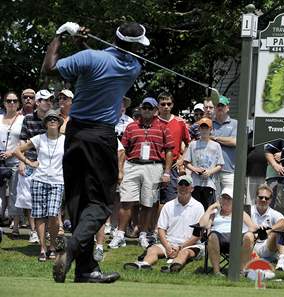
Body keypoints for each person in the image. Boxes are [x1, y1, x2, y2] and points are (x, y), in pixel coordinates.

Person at [42, 21, 149, 283]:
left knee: (79, 202)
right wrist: (83, 44)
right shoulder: (133, 68)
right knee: (100, 203)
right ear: (135, 47)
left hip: (75, 133)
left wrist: (61, 35)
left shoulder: (90, 58)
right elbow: (103, 64)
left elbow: (50, 68)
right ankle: (72, 247)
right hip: (100, 137)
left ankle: (85, 269)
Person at [109, 97, 173, 249]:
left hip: (153, 166)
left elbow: (169, 151)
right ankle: (120, 234)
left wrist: (167, 172)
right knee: (126, 201)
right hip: (133, 165)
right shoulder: (131, 127)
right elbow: (123, 150)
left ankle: (143, 234)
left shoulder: (163, 127)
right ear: (140, 109)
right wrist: (120, 169)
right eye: (145, 107)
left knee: (148, 203)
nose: (147, 110)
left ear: (155, 110)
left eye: (150, 108)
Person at [123, 175, 204, 272]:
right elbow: (161, 229)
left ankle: (173, 267)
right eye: (180, 184)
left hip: (190, 245)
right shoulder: (168, 205)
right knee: (152, 250)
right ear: (177, 187)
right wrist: (167, 246)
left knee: (184, 253)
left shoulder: (198, 207)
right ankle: (144, 264)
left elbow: (198, 235)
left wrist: (180, 247)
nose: (183, 187)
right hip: (169, 243)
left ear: (192, 188)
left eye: (186, 185)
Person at [14, 110, 65, 262]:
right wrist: (30, 163)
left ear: (59, 122)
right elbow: (17, 151)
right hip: (39, 180)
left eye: (55, 119)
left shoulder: (65, 140)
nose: (52, 121)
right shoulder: (39, 138)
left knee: (53, 214)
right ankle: (43, 248)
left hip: (57, 181)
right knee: (40, 215)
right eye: (49, 119)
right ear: (45, 123)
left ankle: (53, 246)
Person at [14, 89, 52, 242]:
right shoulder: (28, 118)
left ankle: (47, 230)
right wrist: (22, 162)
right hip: (30, 162)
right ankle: (33, 231)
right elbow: (23, 140)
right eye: (45, 100)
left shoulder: (53, 118)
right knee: (29, 200)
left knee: (46, 199)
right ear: (38, 102)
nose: (48, 102)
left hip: (47, 164)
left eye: (50, 99)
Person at [199, 188, 257, 276]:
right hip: (219, 240)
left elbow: (252, 227)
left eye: (229, 199)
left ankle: (241, 271)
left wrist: (248, 233)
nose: (226, 201)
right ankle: (217, 272)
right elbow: (202, 224)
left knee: (249, 235)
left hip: (238, 240)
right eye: (224, 198)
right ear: (220, 200)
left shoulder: (240, 212)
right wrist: (211, 207)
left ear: (234, 201)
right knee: (212, 236)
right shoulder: (215, 213)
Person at [158, 92, 190, 207]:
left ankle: (166, 225)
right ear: (158, 106)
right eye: (163, 104)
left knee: (170, 201)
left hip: (172, 167)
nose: (166, 106)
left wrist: (183, 159)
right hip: (155, 164)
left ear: (172, 105)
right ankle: (152, 225)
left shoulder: (180, 122)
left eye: (168, 104)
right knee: (152, 201)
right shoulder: (154, 122)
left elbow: (188, 143)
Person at [184, 117, 224, 210]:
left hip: (209, 183)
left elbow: (220, 165)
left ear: (211, 130)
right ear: (199, 129)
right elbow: (186, 162)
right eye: (202, 128)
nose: (204, 130)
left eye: (207, 128)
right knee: (194, 208)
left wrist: (210, 172)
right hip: (195, 183)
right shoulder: (193, 144)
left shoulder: (216, 145)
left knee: (208, 208)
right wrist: (195, 169)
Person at [0, 92, 24, 237]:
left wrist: (12, 153)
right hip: (0, 161)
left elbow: (24, 140)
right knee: (0, 194)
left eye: (15, 101)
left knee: (15, 193)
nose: (12, 103)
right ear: (4, 103)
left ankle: (15, 225)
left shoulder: (23, 119)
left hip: (15, 159)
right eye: (9, 101)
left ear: (18, 104)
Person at [250, 184, 284, 271]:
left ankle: (282, 259)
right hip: (251, 245)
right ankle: (258, 261)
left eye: (266, 198)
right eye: (261, 197)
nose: (263, 200)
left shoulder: (273, 213)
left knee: (280, 230)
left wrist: (269, 230)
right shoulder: (249, 210)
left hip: (267, 247)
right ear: (256, 197)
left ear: (270, 200)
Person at [210, 95, 237, 194]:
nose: (220, 108)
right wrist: (225, 140)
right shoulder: (209, 123)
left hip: (229, 171)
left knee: (229, 200)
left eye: (222, 105)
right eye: (218, 105)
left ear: (228, 107)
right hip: (212, 170)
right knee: (213, 201)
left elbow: (234, 142)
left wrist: (215, 138)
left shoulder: (235, 123)